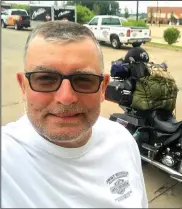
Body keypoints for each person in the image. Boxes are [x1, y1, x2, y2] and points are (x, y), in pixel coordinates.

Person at [1, 21, 148, 208]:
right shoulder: (6, 158)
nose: (66, 98)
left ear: (103, 88)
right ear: (23, 86)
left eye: (83, 80)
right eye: (45, 79)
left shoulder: (122, 141)